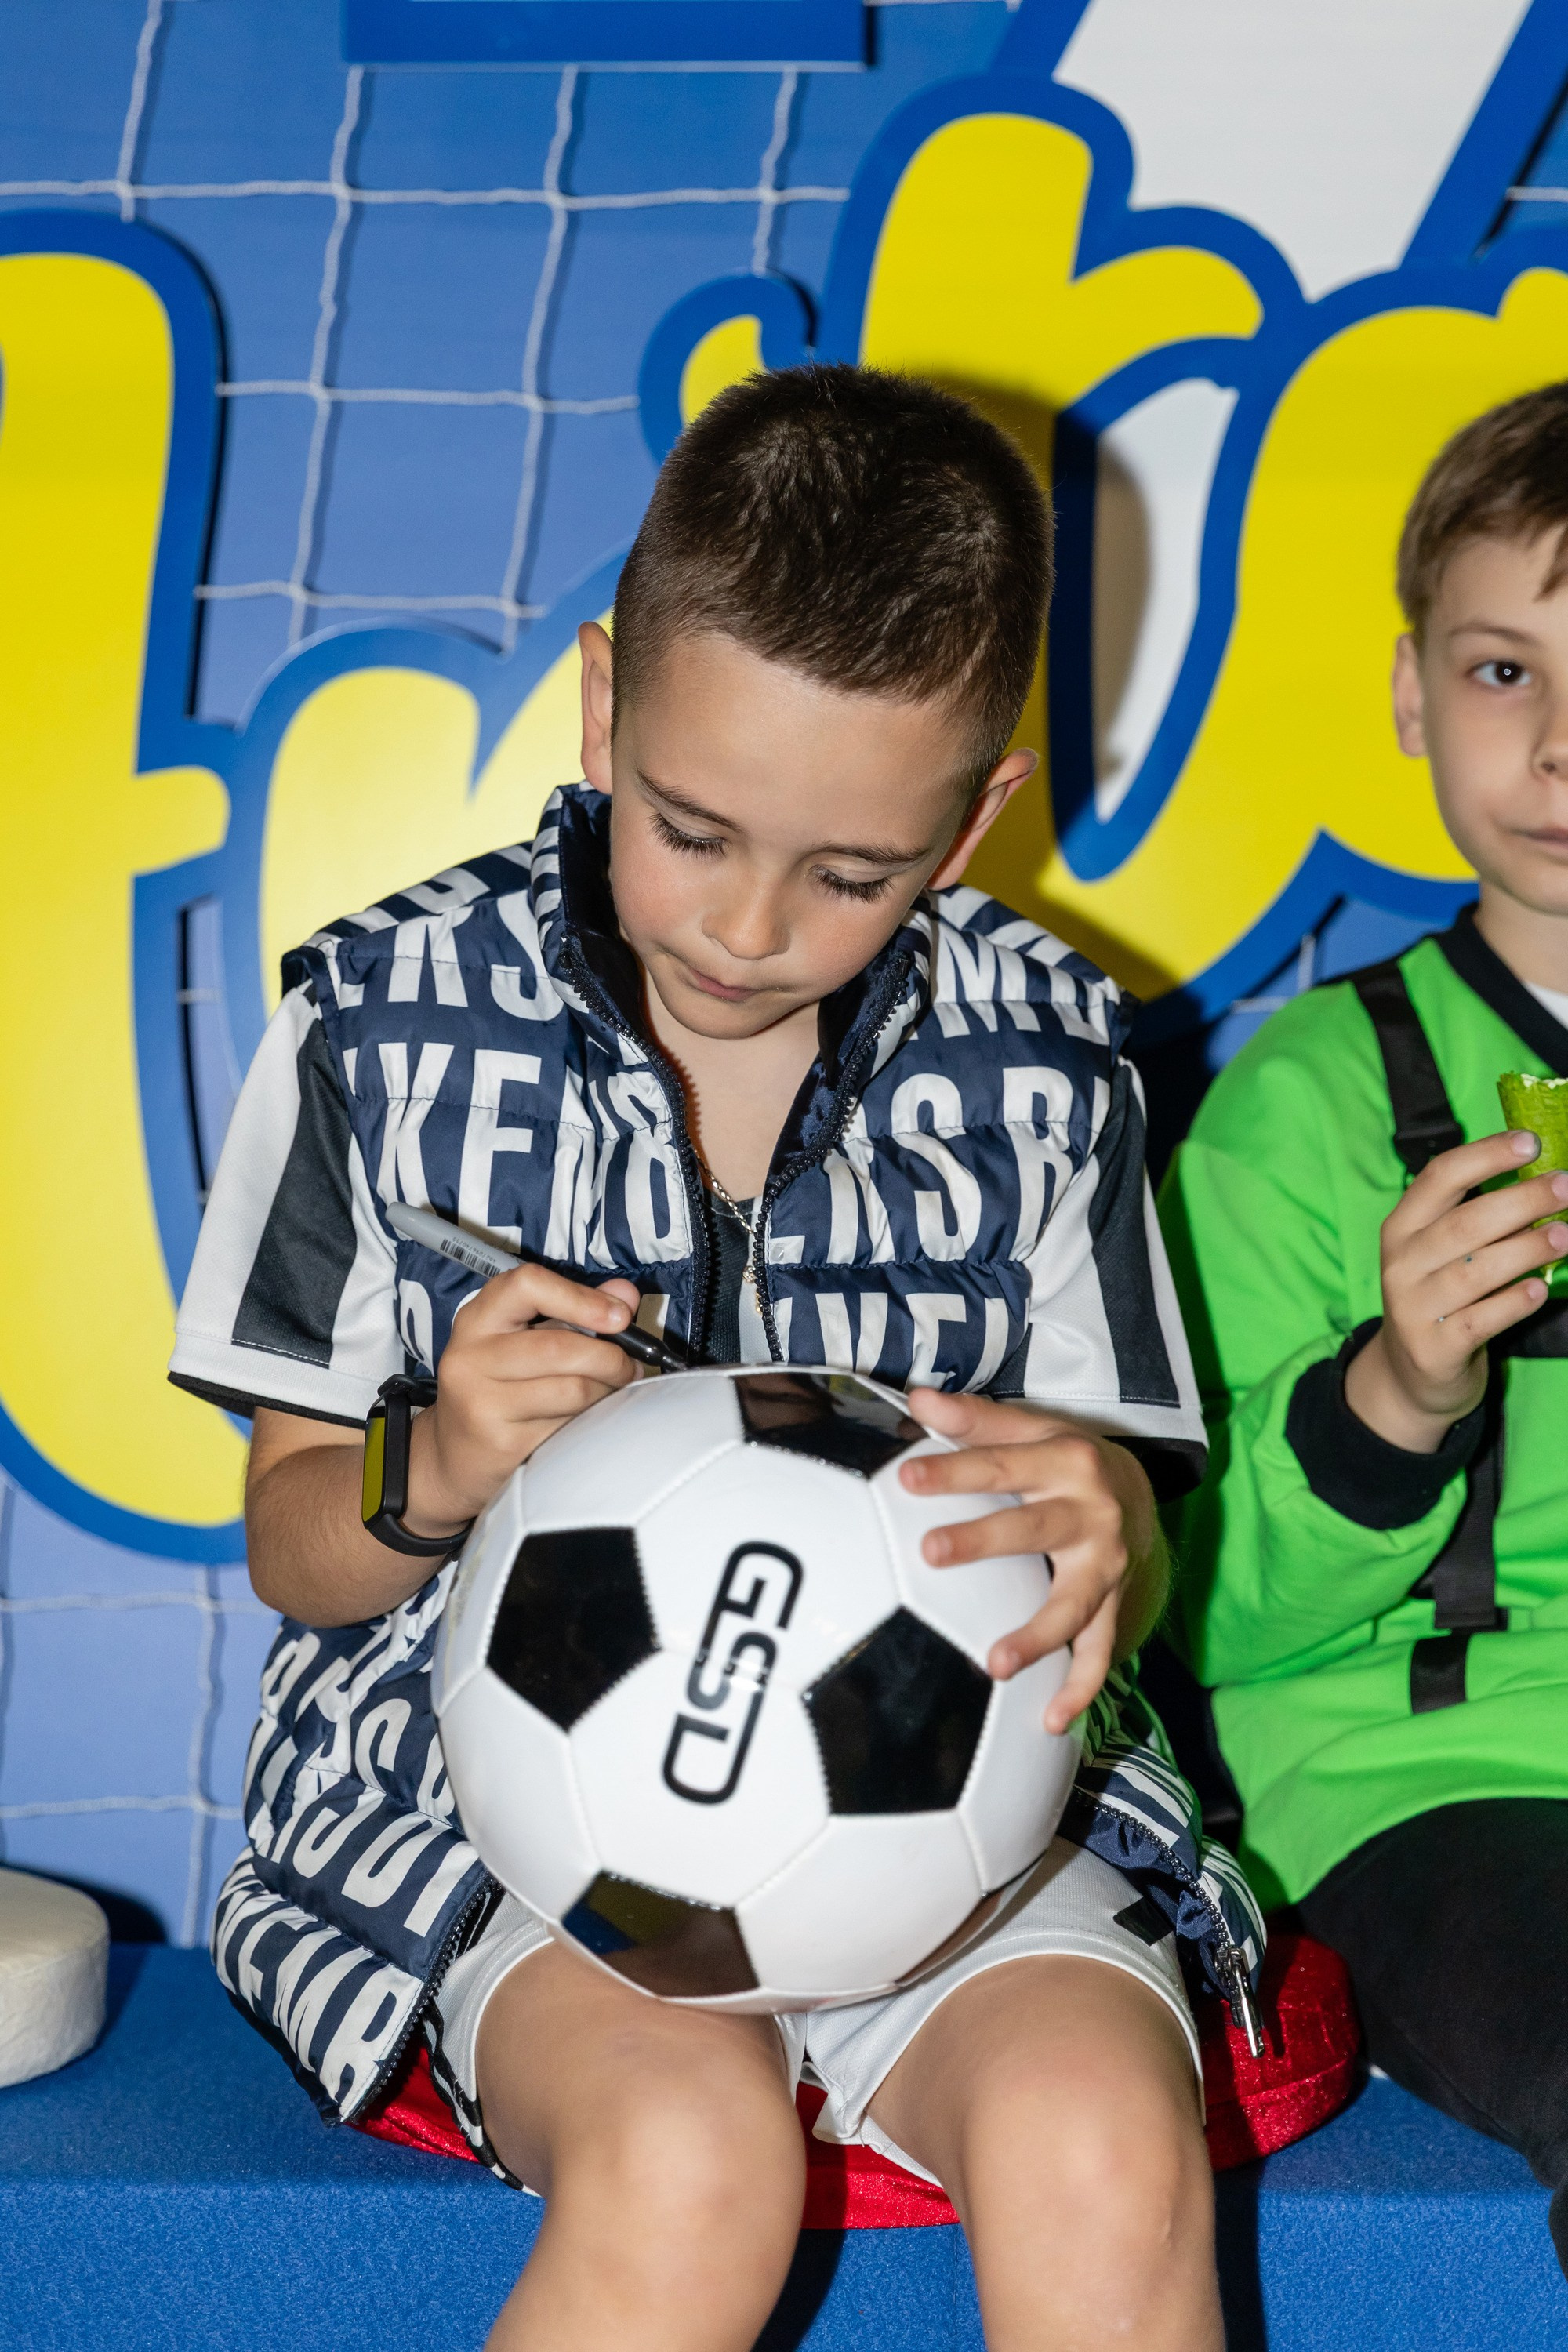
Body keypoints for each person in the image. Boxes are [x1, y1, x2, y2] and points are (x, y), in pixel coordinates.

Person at [172, 365, 1259, 2352]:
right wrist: (429, 1467)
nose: (752, 925)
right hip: (516, 1832)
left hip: (971, 1830)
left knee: (1102, 2141)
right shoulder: (380, 1025)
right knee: (696, 2160)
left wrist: (1107, 1522)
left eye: (852, 873)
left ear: (979, 813)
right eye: (691, 829)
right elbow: (291, 1542)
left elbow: (1134, 1545)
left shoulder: (1049, 1068)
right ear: (604, 705)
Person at [1160, 381, 1568, 2268]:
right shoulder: (1314, 1101)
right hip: (1420, 1788)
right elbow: (1183, 1601)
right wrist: (1397, 1393)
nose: (1559, 744)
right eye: (1503, 672)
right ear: (1412, 695)